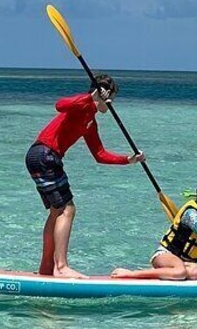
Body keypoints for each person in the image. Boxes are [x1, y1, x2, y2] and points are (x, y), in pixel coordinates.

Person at [25, 75, 145, 278]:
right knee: (67, 210)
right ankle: (61, 267)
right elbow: (60, 105)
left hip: (41, 157)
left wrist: (129, 159)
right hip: (45, 154)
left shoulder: (90, 122)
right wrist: (91, 97)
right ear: (102, 94)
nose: (111, 104)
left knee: (57, 212)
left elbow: (100, 155)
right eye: (111, 98)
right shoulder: (82, 104)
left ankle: (46, 268)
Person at [111, 180, 197, 280]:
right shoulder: (191, 214)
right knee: (180, 272)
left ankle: (168, 274)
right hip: (165, 255)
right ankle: (130, 274)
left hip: (183, 262)